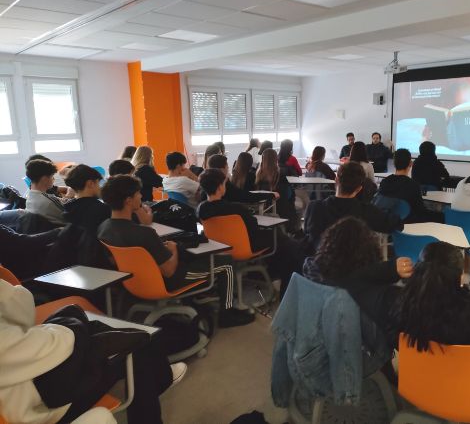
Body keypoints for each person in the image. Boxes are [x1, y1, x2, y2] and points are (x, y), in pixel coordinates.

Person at [0, 278, 184, 424]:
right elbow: (58, 342)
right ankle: (162, 379)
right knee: (139, 348)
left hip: (32, 385)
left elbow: (24, 322)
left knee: (105, 331)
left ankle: (161, 374)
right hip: (44, 405)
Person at [97, 175, 253, 327]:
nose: (140, 196)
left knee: (196, 257)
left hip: (136, 282)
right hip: (169, 281)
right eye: (137, 193)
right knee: (226, 263)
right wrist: (173, 249)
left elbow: (114, 260)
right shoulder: (145, 234)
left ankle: (196, 302)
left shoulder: (104, 228)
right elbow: (170, 270)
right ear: (128, 201)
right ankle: (227, 314)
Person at [348, 242, 470, 351]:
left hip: (420, 390)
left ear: (418, 269)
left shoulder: (397, 305)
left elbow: (352, 281)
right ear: (460, 276)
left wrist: (389, 270)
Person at [197, 169, 304, 297]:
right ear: (220, 187)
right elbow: (253, 227)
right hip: (246, 246)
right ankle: (285, 287)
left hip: (220, 248)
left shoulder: (200, 210)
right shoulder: (236, 209)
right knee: (287, 243)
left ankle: (273, 276)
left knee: (281, 241)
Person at [303, 161, 404, 254]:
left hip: (319, 267)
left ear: (336, 180)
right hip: (355, 269)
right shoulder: (366, 211)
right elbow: (395, 223)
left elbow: (308, 235)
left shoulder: (314, 208)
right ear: (359, 188)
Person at [378, 149, 443, 223]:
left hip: (388, 221)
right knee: (441, 216)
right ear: (410, 163)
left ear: (394, 163)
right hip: (407, 221)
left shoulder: (384, 182)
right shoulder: (413, 185)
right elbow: (420, 210)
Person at [204, 154, 277, 204]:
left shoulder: (204, 190)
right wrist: (270, 195)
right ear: (222, 169)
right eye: (227, 166)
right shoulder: (225, 185)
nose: (228, 168)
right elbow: (246, 196)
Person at [256, 149, 298, 233]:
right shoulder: (282, 174)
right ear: (276, 159)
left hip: (264, 207)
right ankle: (295, 230)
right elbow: (289, 194)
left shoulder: (258, 174)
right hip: (281, 208)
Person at [63, 164, 111, 232]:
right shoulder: (103, 209)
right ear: (90, 183)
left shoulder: (68, 207)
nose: (100, 187)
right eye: (98, 183)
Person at [25, 160, 66, 226]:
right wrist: (69, 196)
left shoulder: (29, 195)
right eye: (52, 176)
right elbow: (69, 214)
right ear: (44, 179)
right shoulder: (49, 201)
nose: (53, 179)